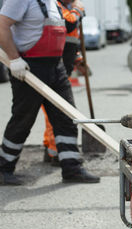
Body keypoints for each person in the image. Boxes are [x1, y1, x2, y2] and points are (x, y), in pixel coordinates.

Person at [0, 0, 100, 185]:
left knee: (66, 118)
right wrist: (14, 60)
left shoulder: (53, 2)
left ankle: (72, 168)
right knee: (23, 120)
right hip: (30, 68)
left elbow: (62, 32)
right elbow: (2, 25)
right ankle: (4, 168)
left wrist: (75, 57)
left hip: (56, 67)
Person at [42, 0, 85, 164]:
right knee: (57, 111)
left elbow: (73, 37)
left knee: (54, 111)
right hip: (54, 67)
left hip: (64, 65)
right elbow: (69, 25)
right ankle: (56, 152)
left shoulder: (66, 7)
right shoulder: (56, 6)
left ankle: (50, 148)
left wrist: (77, 56)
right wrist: (78, 11)